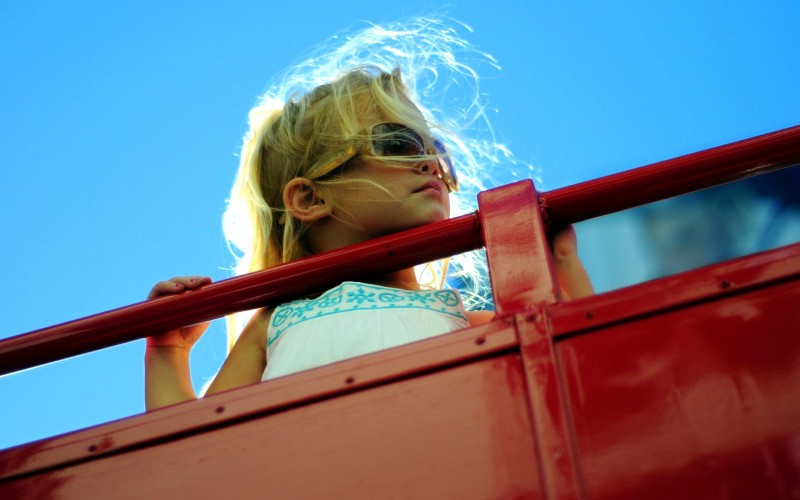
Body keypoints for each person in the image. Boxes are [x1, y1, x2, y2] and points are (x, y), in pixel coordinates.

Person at [144, 20, 593, 411]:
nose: (431, 164)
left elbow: (578, 366)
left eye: (438, 152)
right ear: (309, 199)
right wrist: (167, 350)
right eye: (397, 144)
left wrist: (562, 263)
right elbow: (194, 443)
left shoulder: (457, 316)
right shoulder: (279, 322)